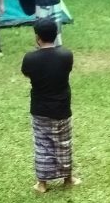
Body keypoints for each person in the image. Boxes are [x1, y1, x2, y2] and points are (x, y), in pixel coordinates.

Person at [21, 18, 78, 193]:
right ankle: (68, 178)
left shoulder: (30, 58)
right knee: (64, 143)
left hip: (40, 109)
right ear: (56, 35)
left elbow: (27, 74)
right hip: (62, 107)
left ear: (38, 38)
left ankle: (42, 183)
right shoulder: (66, 55)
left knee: (42, 145)